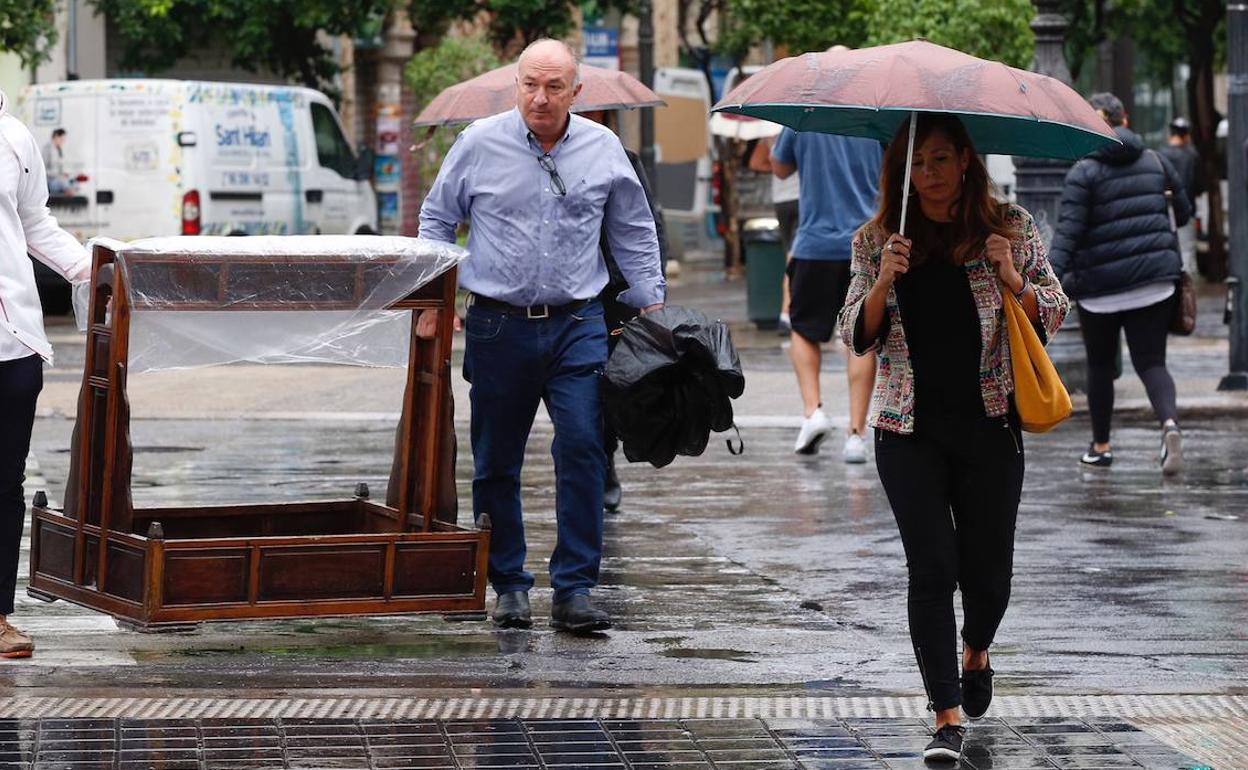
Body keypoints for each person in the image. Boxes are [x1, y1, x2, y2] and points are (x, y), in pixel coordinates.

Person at [838, 113, 1069, 760]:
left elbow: (1055, 311)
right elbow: (854, 331)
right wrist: (885, 279)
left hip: (991, 423)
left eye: (941, 159)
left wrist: (1012, 277)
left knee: (989, 570)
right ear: (900, 172)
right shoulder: (878, 239)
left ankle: (977, 649)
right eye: (917, 163)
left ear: (965, 162)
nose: (930, 174)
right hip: (907, 429)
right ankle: (944, 715)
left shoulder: (1010, 227)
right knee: (932, 567)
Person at [418, 40, 665, 634]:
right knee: (495, 460)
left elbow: (633, 229)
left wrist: (652, 304)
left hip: (578, 322)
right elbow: (436, 218)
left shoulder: (603, 148)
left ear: (576, 94)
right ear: (517, 85)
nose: (541, 97)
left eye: (555, 87)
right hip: (497, 323)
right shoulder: (478, 142)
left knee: (582, 447)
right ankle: (508, 585)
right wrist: (434, 297)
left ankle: (575, 586)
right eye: (531, 84)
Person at [1048, 93, 1192, 474]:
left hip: (1100, 290)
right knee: (1151, 362)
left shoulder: (1084, 172)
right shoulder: (1156, 161)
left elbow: (1067, 236)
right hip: (1155, 281)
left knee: (1099, 365)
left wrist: (1044, 284)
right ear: (1124, 117)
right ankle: (1170, 425)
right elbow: (1185, 210)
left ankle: (1101, 445)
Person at [0, 90, 91, 658]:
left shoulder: (14, 137)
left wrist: (100, 269)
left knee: (4, 483)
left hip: (15, 342)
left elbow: (37, 224)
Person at [770, 116, 880, 461]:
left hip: (814, 245)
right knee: (862, 338)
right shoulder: (875, 121)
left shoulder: (803, 119)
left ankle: (813, 410)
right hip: (865, 243)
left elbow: (779, 168)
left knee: (803, 329)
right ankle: (856, 435)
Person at [579, 109, 668, 513]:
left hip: (615, 293)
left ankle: (604, 462)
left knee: (608, 383)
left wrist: (651, 291)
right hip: (569, 292)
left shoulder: (622, 157)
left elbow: (648, 224)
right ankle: (590, 464)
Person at [749, 137, 799, 333]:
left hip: (781, 200)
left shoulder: (768, 131)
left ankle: (789, 311)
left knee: (790, 252)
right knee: (794, 256)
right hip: (802, 196)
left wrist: (777, 165)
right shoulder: (798, 127)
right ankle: (786, 313)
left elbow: (755, 162)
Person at [1158, 116, 1204, 274]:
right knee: (1187, 250)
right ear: (1186, 135)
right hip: (1187, 208)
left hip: (1164, 210)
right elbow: (1199, 186)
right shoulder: (1193, 155)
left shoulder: (1160, 155)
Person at [42, 128, 72, 196]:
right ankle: (67, 191)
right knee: (60, 183)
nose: (63, 141)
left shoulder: (58, 149)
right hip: (50, 180)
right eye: (61, 139)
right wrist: (58, 175)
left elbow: (59, 166)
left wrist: (63, 174)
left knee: (72, 182)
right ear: (56, 137)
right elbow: (43, 169)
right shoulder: (47, 149)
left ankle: (68, 190)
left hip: (57, 178)